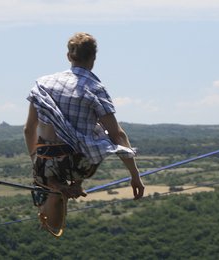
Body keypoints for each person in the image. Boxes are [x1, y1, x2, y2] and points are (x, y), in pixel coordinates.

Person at [23, 33, 144, 227]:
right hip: (78, 164)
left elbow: (29, 129)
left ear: (69, 56)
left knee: (51, 166)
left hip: (45, 161)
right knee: (100, 134)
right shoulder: (95, 88)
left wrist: (35, 161)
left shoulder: (42, 84)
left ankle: (52, 187)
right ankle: (76, 183)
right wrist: (135, 176)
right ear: (93, 58)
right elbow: (117, 135)